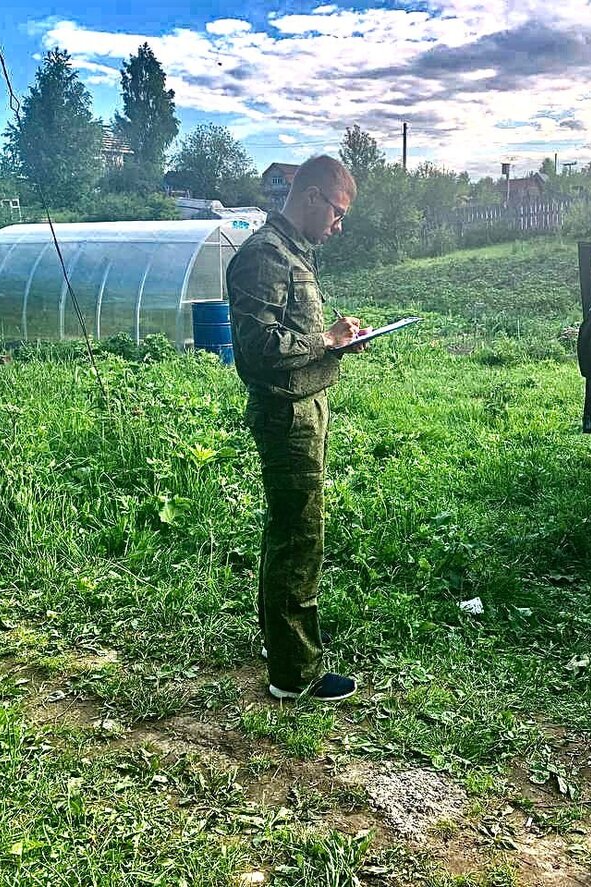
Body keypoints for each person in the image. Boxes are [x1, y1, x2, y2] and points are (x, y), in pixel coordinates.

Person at [227, 155, 368, 702]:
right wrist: (326, 341)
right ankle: (295, 674)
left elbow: (290, 335)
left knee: (289, 530)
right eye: (337, 212)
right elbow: (256, 350)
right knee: (299, 536)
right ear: (312, 197)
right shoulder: (265, 255)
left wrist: (336, 338)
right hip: (286, 415)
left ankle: (283, 645)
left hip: (304, 407)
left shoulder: (291, 252)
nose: (339, 224)